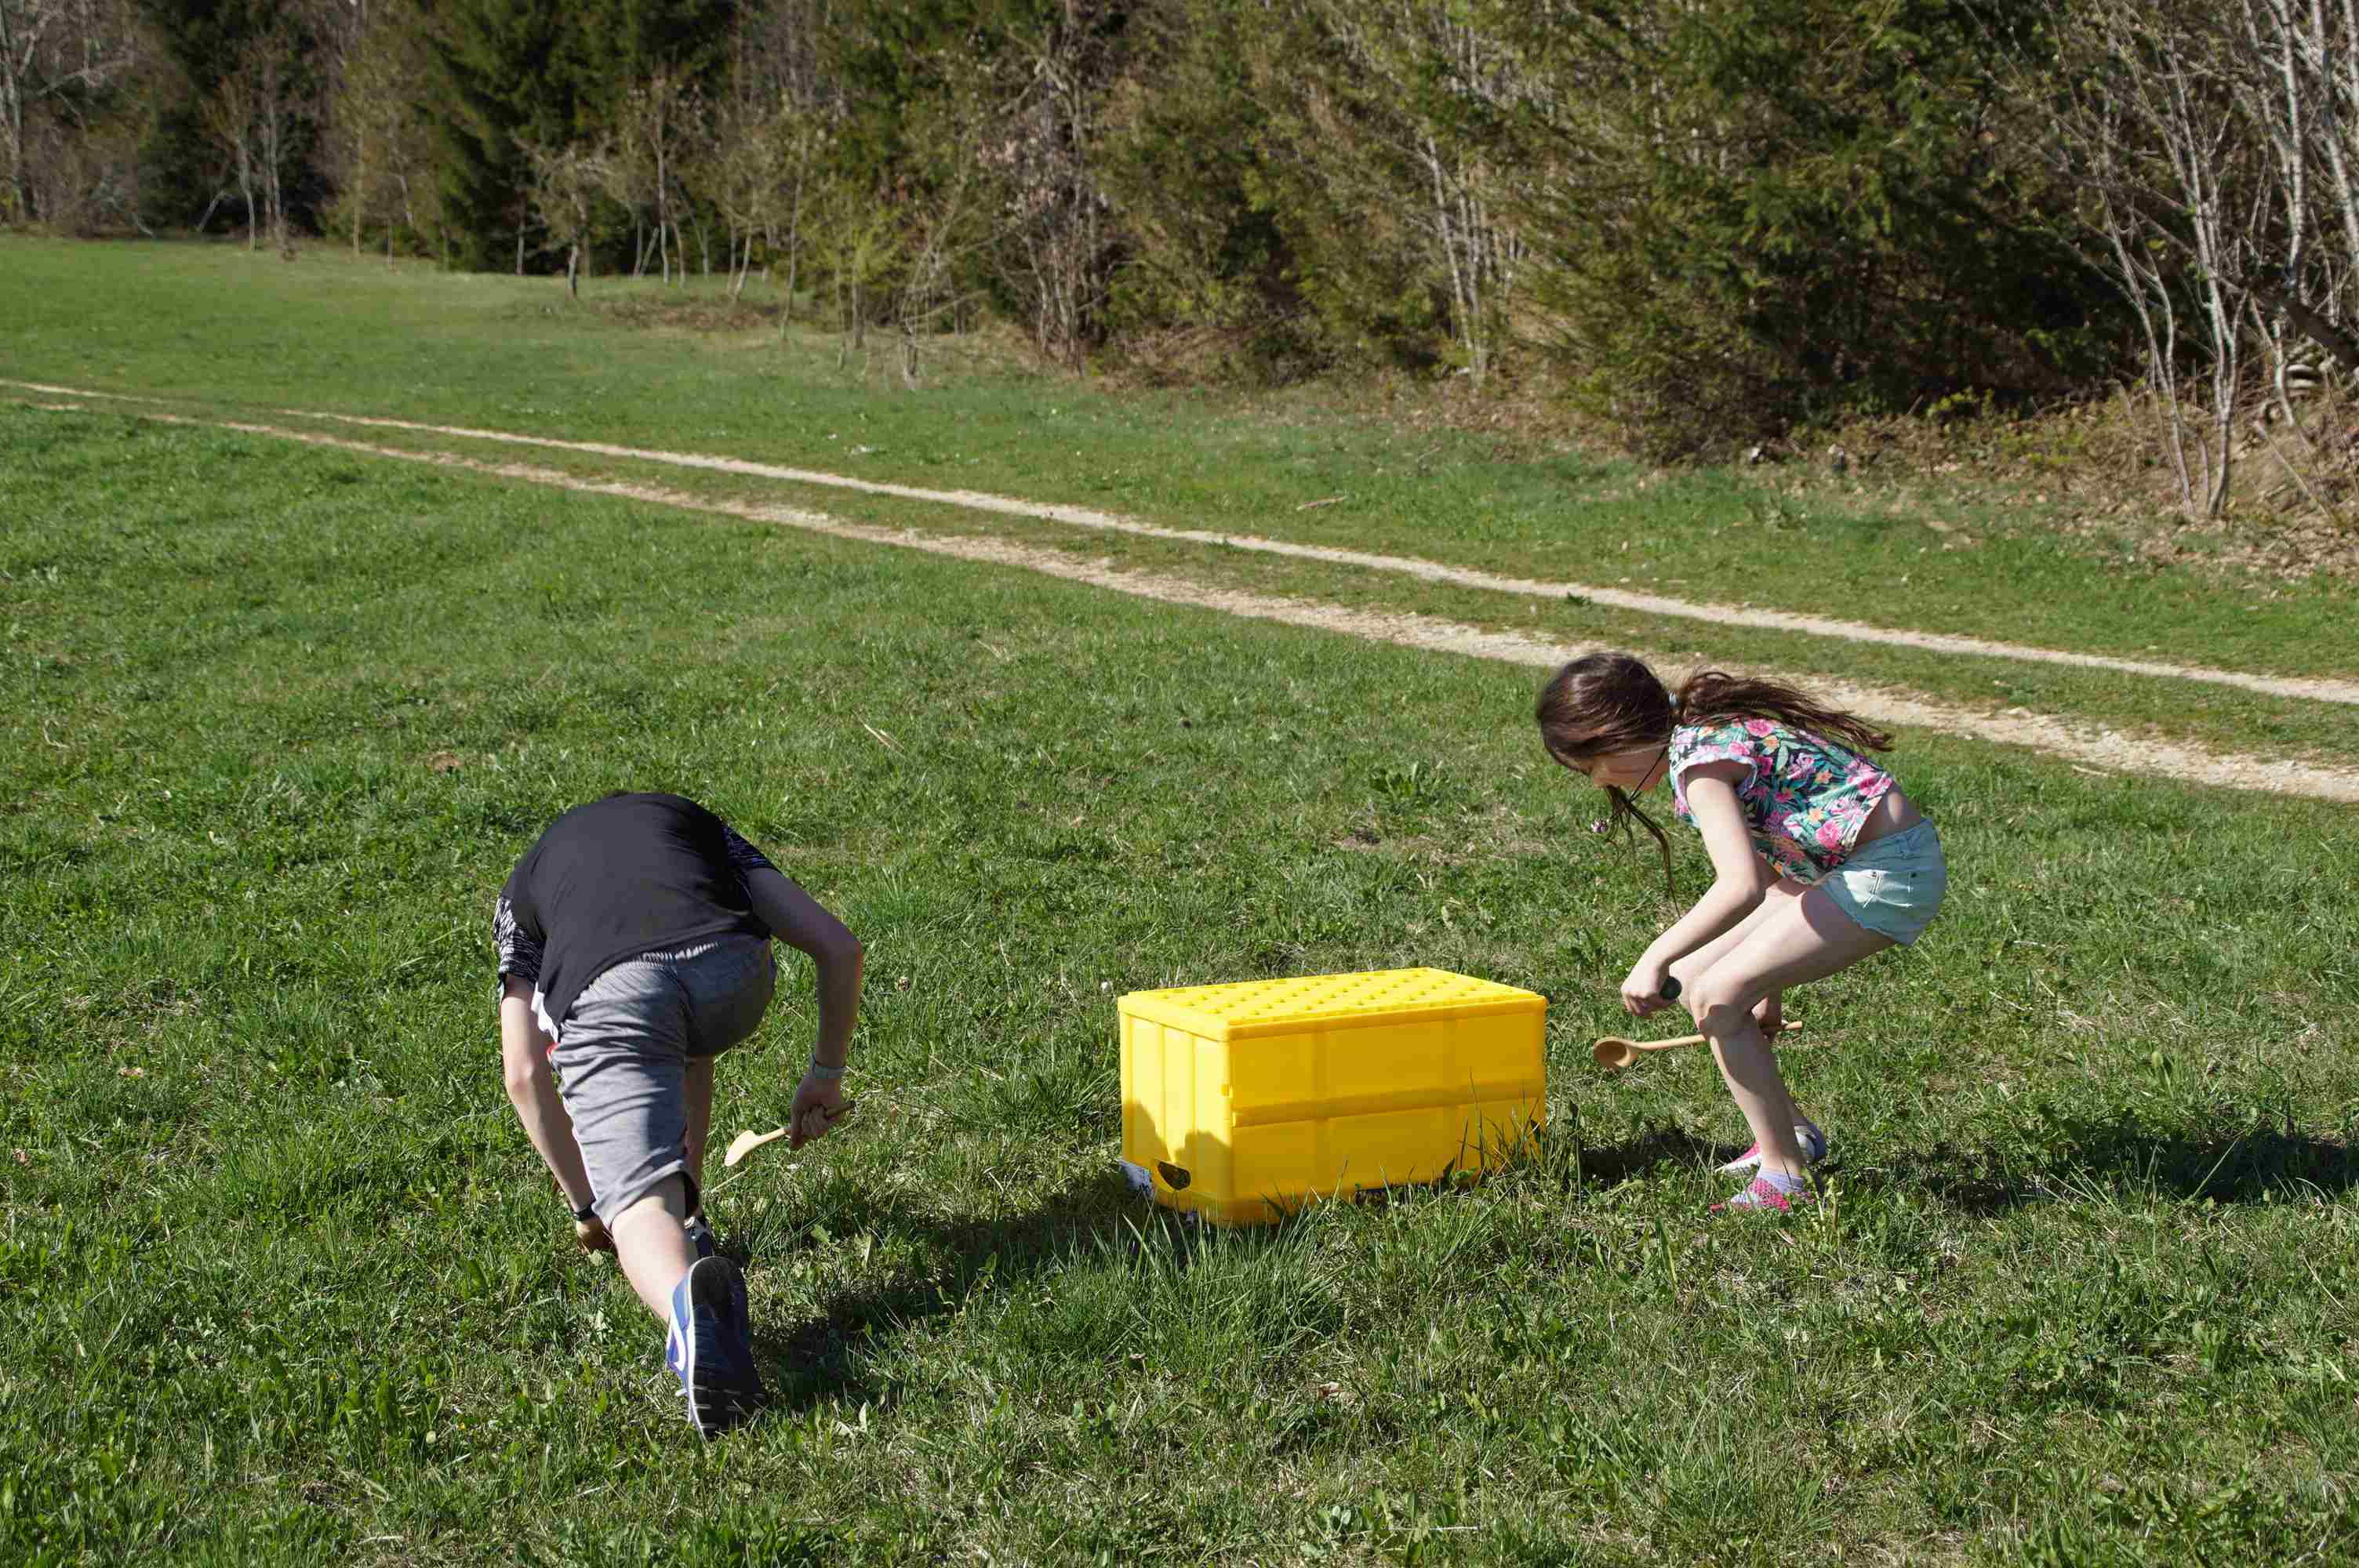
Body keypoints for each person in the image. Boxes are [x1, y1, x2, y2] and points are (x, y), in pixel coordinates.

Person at [493, 792, 863, 1436]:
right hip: (733, 975)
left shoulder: (521, 889)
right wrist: (826, 1076)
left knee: (637, 1206)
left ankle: (685, 1307)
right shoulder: (689, 821)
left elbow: (523, 1073)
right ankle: (689, 1212)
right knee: (680, 1036)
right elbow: (839, 947)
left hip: (616, 995)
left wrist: (591, 1207)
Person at [1536, 653, 1946, 1214]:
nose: (1601, 781)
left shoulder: (1700, 765)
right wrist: (1764, 984)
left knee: (1718, 994)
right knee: (1692, 978)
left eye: (1593, 766)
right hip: (1846, 868)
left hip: (1889, 872)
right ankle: (1791, 1134)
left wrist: (1653, 956)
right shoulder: (1702, 737)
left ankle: (1785, 1177)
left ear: (1617, 734)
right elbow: (1769, 868)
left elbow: (1740, 887)